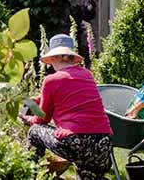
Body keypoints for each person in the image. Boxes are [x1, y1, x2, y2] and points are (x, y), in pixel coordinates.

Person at [20, 33, 113, 180]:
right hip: (103, 145)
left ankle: (26, 176)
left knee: (34, 132)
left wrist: (26, 118)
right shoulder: (87, 74)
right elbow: (72, 96)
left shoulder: (50, 80)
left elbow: (41, 119)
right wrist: (38, 99)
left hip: (76, 142)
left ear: (53, 58)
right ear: (71, 57)